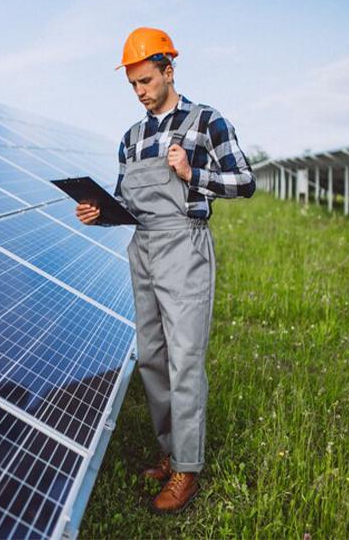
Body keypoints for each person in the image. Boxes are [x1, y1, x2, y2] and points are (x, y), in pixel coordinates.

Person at [76, 27, 256, 514]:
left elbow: (245, 181)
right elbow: (127, 205)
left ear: (169, 71)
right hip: (143, 249)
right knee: (153, 357)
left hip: (185, 248)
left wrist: (192, 174)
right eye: (132, 84)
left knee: (184, 358)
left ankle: (188, 470)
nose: (139, 92)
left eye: (146, 80)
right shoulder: (130, 138)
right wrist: (99, 212)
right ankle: (169, 451)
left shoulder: (207, 121)